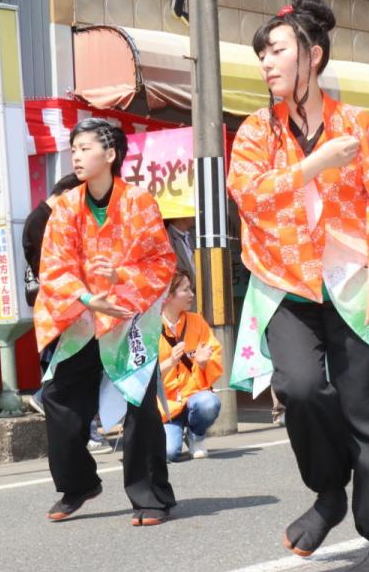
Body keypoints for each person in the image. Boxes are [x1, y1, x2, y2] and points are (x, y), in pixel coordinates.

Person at [228, 0, 369, 572]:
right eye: (261, 55)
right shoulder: (255, 131)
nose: (266, 63)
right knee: (299, 389)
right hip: (287, 287)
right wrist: (311, 165)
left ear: (313, 55)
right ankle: (329, 493)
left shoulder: (361, 126)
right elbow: (246, 194)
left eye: (276, 51)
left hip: (357, 286)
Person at [33, 119, 177, 525]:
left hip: (129, 316)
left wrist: (121, 280)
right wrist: (85, 296)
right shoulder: (64, 207)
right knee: (59, 398)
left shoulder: (139, 202)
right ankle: (78, 483)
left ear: (110, 155)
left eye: (85, 147)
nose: (76, 155)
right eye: (73, 148)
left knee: (139, 406)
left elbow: (161, 262)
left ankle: (151, 497)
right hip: (81, 316)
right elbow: (55, 265)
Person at [22, 172, 110, 454]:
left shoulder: (49, 218)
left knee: (82, 373)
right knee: (67, 373)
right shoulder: (41, 221)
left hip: (75, 307)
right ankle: (79, 431)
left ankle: (84, 433)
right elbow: (51, 272)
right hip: (60, 310)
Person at [158, 269, 222, 461]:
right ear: (169, 295)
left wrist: (203, 363)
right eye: (186, 290)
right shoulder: (150, 326)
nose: (191, 294)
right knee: (170, 453)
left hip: (194, 396)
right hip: (165, 406)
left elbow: (214, 357)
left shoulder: (197, 321)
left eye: (191, 289)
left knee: (209, 403)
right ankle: (176, 432)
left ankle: (196, 434)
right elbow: (143, 375)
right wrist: (170, 362)